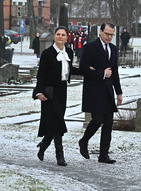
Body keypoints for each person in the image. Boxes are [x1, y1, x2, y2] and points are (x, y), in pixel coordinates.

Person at [33, 26, 81, 166]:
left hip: (62, 90)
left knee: (55, 122)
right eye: (58, 34)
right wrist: (39, 92)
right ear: (54, 36)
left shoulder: (70, 52)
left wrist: (90, 71)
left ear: (66, 37)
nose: (60, 37)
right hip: (49, 92)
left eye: (63, 35)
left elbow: (70, 70)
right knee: (58, 122)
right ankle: (60, 155)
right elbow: (41, 75)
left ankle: (43, 145)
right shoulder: (47, 53)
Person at [78, 23, 123, 164]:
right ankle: (84, 141)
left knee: (108, 123)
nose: (109, 37)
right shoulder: (90, 47)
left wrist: (119, 92)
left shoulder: (114, 49)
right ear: (100, 32)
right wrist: (101, 73)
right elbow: (83, 69)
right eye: (107, 34)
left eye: (111, 34)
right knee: (97, 120)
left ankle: (103, 155)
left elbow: (114, 72)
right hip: (94, 90)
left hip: (108, 90)